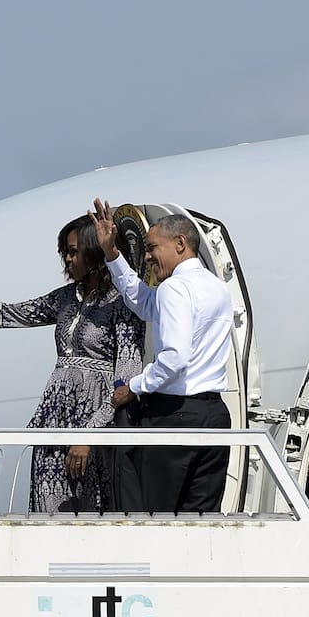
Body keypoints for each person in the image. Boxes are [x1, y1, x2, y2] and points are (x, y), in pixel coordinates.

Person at [0, 217, 145, 513]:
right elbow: (4, 314)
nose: (67, 258)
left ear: (93, 252)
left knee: (93, 513)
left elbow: (126, 382)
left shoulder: (125, 303)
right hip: (54, 420)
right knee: (48, 513)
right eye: (65, 250)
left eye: (73, 251)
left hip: (96, 423)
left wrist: (89, 436)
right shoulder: (64, 298)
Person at [89, 199, 234, 513]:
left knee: (157, 515)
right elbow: (141, 301)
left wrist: (134, 388)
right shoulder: (218, 288)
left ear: (180, 244)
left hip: (176, 416)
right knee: (202, 517)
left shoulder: (175, 289)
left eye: (153, 247)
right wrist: (112, 254)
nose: (149, 255)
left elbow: (174, 359)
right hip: (215, 417)